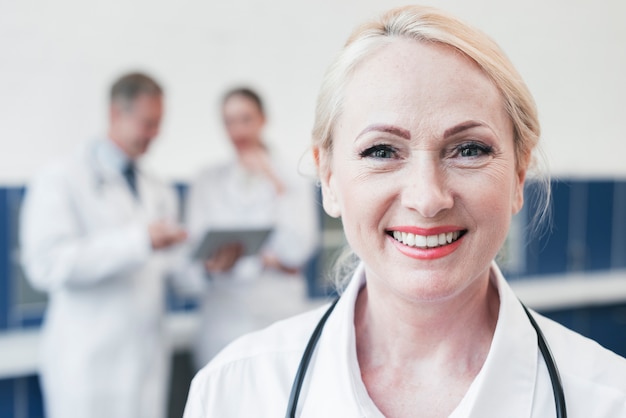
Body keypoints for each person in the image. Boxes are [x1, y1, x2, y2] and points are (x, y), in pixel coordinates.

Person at [183, 6, 626, 418]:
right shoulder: (233, 393)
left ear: (519, 174)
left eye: (469, 149)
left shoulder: (606, 398)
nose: (428, 197)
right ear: (329, 180)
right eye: (381, 150)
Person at [20, 72, 187, 418]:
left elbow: (165, 271)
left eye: (159, 124)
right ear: (116, 114)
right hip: (88, 364)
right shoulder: (61, 178)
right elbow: (48, 265)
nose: (154, 134)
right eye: (147, 123)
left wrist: (205, 265)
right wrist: (139, 240)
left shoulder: (157, 188)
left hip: (145, 357)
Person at [182, 87, 320, 368]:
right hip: (223, 320)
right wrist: (221, 265)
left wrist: (274, 181)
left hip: (276, 314)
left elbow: (298, 250)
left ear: (263, 120)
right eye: (229, 121)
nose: (238, 130)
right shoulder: (207, 180)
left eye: (245, 119)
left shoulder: (290, 177)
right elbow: (192, 258)